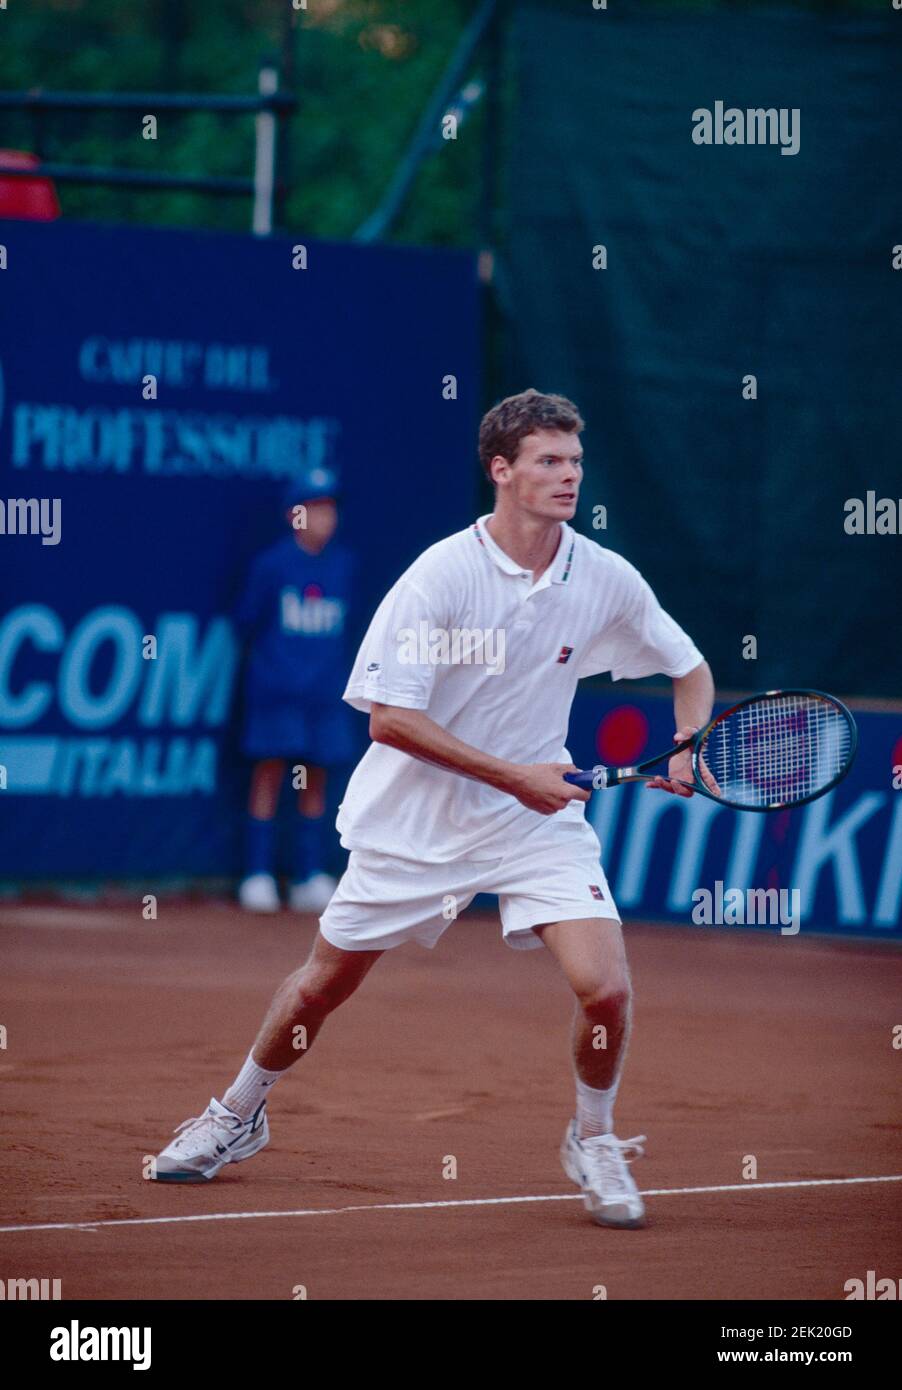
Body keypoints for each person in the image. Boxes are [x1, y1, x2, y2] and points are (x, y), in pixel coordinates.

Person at [152, 389, 714, 1229]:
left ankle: (593, 1139)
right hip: (417, 825)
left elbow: (690, 665)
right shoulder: (439, 577)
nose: (569, 476)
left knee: (606, 990)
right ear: (502, 470)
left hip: (535, 827)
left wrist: (690, 740)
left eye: (575, 462)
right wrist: (512, 774)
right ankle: (237, 1114)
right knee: (318, 990)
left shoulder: (601, 576)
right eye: (549, 462)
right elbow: (389, 719)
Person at [234, 466, 356, 914]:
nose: (325, 518)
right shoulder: (271, 566)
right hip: (276, 696)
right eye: (315, 509)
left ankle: (308, 876)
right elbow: (247, 623)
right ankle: (258, 876)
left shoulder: (344, 566)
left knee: (315, 782)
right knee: (267, 777)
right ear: (294, 515)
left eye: (330, 509)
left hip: (323, 698)